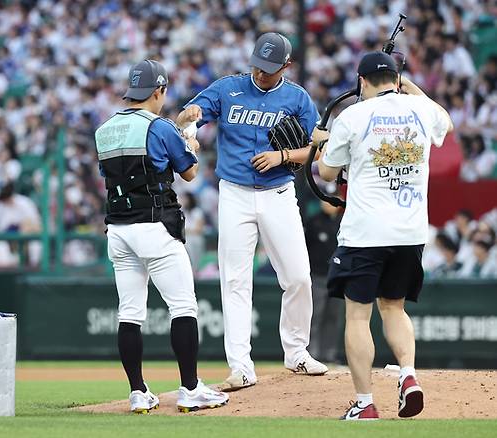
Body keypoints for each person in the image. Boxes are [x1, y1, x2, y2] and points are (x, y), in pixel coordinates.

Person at [176, 32, 328, 390]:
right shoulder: (228, 88)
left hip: (278, 190)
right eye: (258, 65)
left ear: (286, 67)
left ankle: (297, 352)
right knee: (235, 281)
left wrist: (283, 156)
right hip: (235, 193)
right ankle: (241, 366)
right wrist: (190, 115)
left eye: (270, 68)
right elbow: (187, 118)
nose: (261, 73)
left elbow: (320, 149)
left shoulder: (297, 98)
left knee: (298, 277)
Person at [315, 51, 454, 420]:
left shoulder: (353, 116)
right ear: (396, 79)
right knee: (394, 307)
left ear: (361, 81)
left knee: (358, 317)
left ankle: (365, 403)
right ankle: (408, 375)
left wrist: (321, 143)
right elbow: (447, 123)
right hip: (409, 231)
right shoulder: (421, 109)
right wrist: (406, 85)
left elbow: (327, 173)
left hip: (365, 232)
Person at [94, 59, 228, 413]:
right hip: (155, 226)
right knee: (183, 306)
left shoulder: (104, 129)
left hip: (118, 229)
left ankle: (138, 392)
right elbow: (190, 173)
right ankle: (190, 387)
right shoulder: (159, 126)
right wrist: (189, 139)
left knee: (130, 312)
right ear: (158, 91)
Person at [304, 198, 344, 363]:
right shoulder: (314, 222)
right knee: (315, 315)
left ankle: (329, 354)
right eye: (326, 200)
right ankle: (311, 354)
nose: (329, 204)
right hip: (317, 276)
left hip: (338, 277)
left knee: (334, 317)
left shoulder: (344, 222)